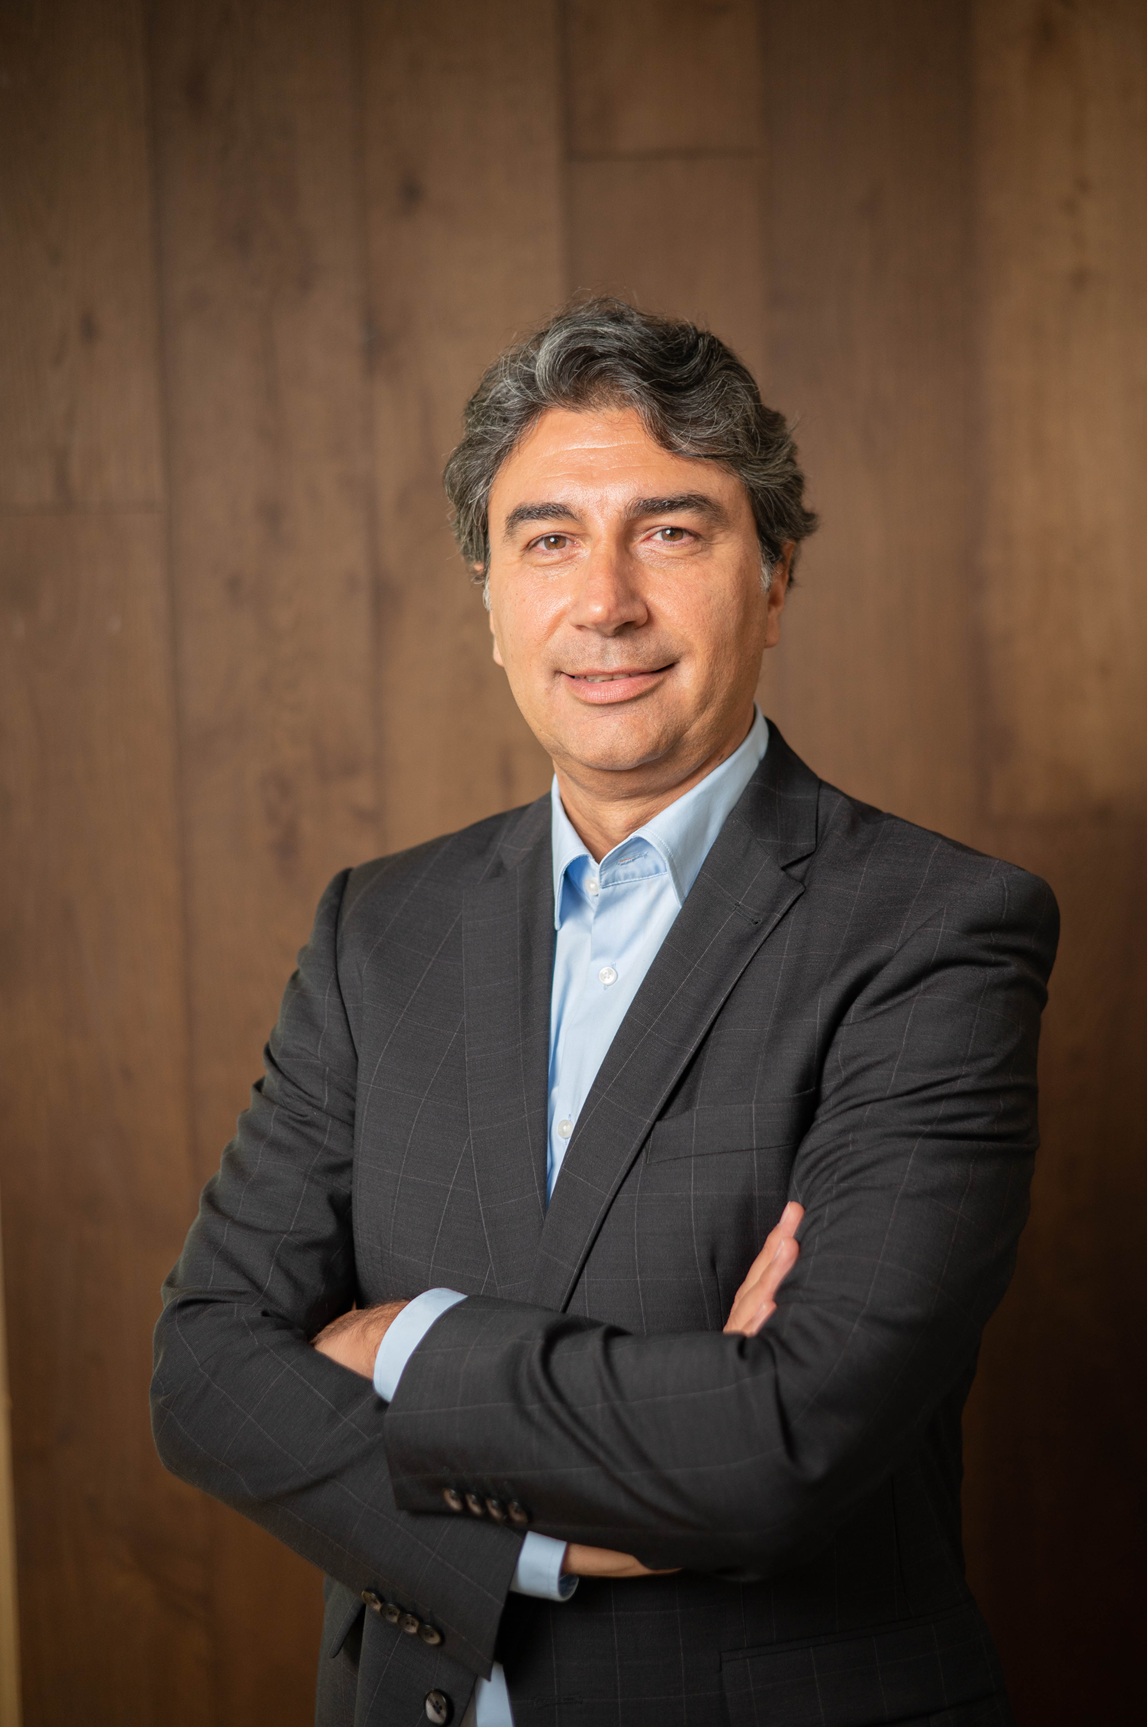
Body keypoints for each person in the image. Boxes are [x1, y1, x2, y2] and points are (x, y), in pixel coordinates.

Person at [152, 299, 1058, 1727]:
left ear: (776, 574)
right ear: (489, 599)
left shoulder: (936, 931)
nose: (606, 601)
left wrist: (398, 1345)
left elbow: (782, 1442)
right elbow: (206, 1371)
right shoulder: (378, 929)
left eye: (672, 530)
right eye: (548, 539)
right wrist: (539, 1546)